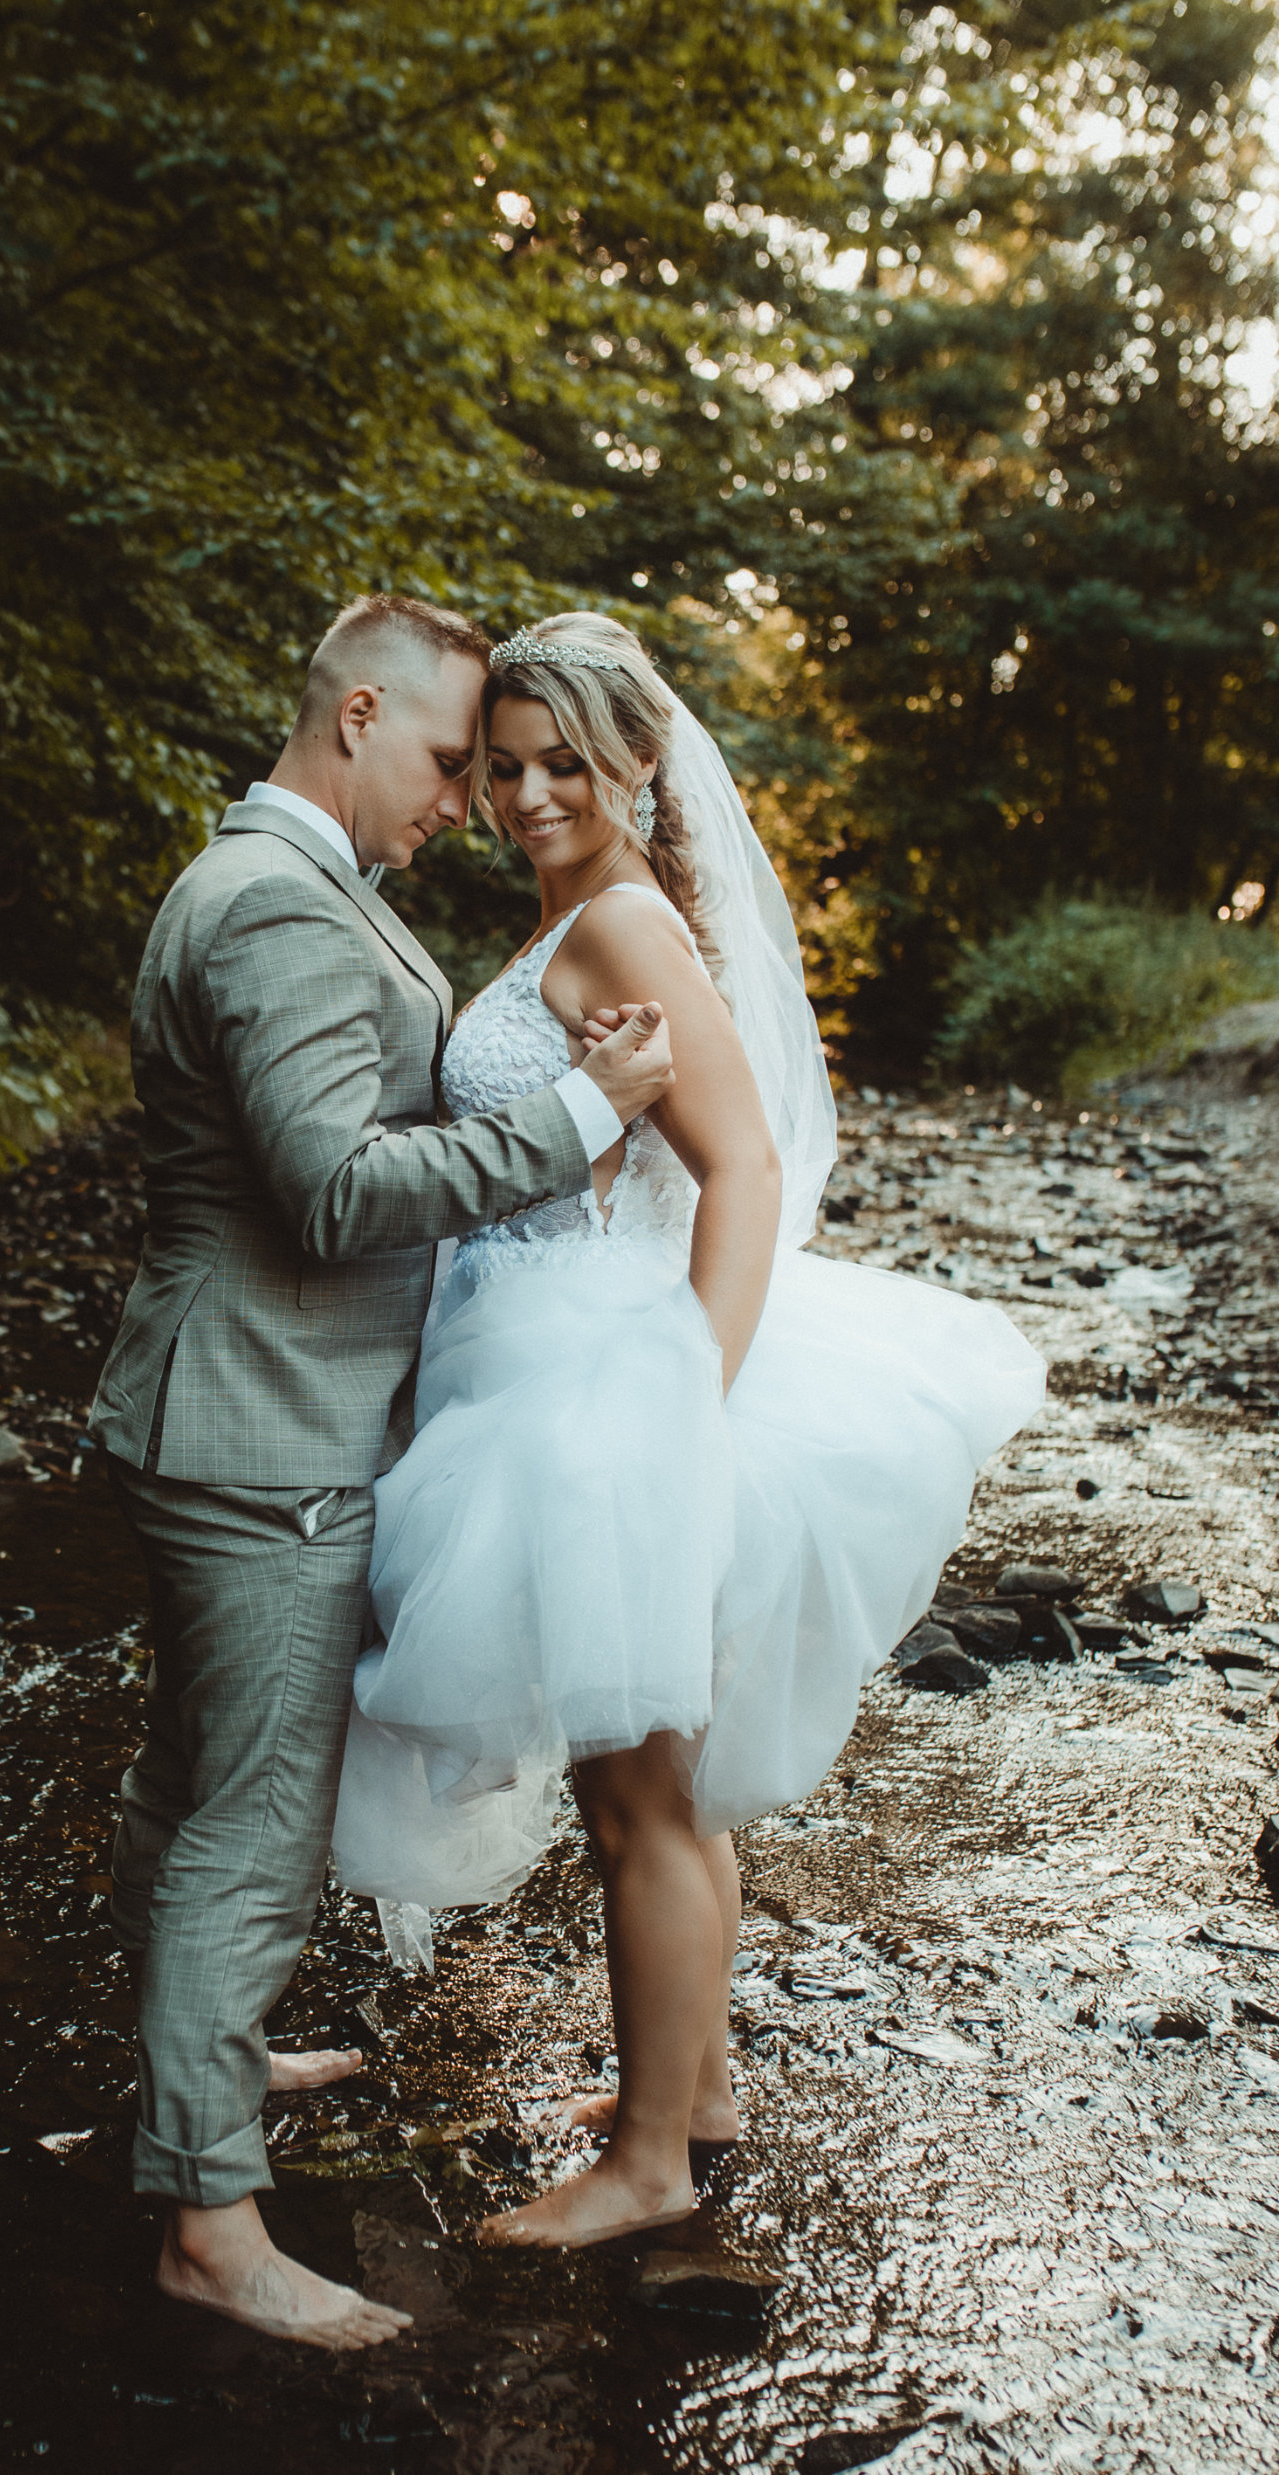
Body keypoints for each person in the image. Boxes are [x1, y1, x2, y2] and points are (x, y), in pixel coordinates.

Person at [331, 612, 1046, 2249]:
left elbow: (749, 1172)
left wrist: (686, 1405)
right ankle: (696, 2093)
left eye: (563, 766)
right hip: (541, 1353)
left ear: (639, 763)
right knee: (670, 1789)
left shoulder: (622, 925)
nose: (526, 796)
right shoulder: (580, 913)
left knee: (634, 1801)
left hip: (605, 1379)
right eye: (503, 767)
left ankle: (648, 2165)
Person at [89, 594, 676, 2344]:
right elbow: (336, 1190)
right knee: (254, 1820)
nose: (460, 800)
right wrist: (579, 1121)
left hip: (229, 1403)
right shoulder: (276, 900)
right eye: (442, 756)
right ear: (355, 713)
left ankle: (200, 2066)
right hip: (260, 1419)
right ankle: (207, 2223)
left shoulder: (277, 878)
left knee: (190, 1775)